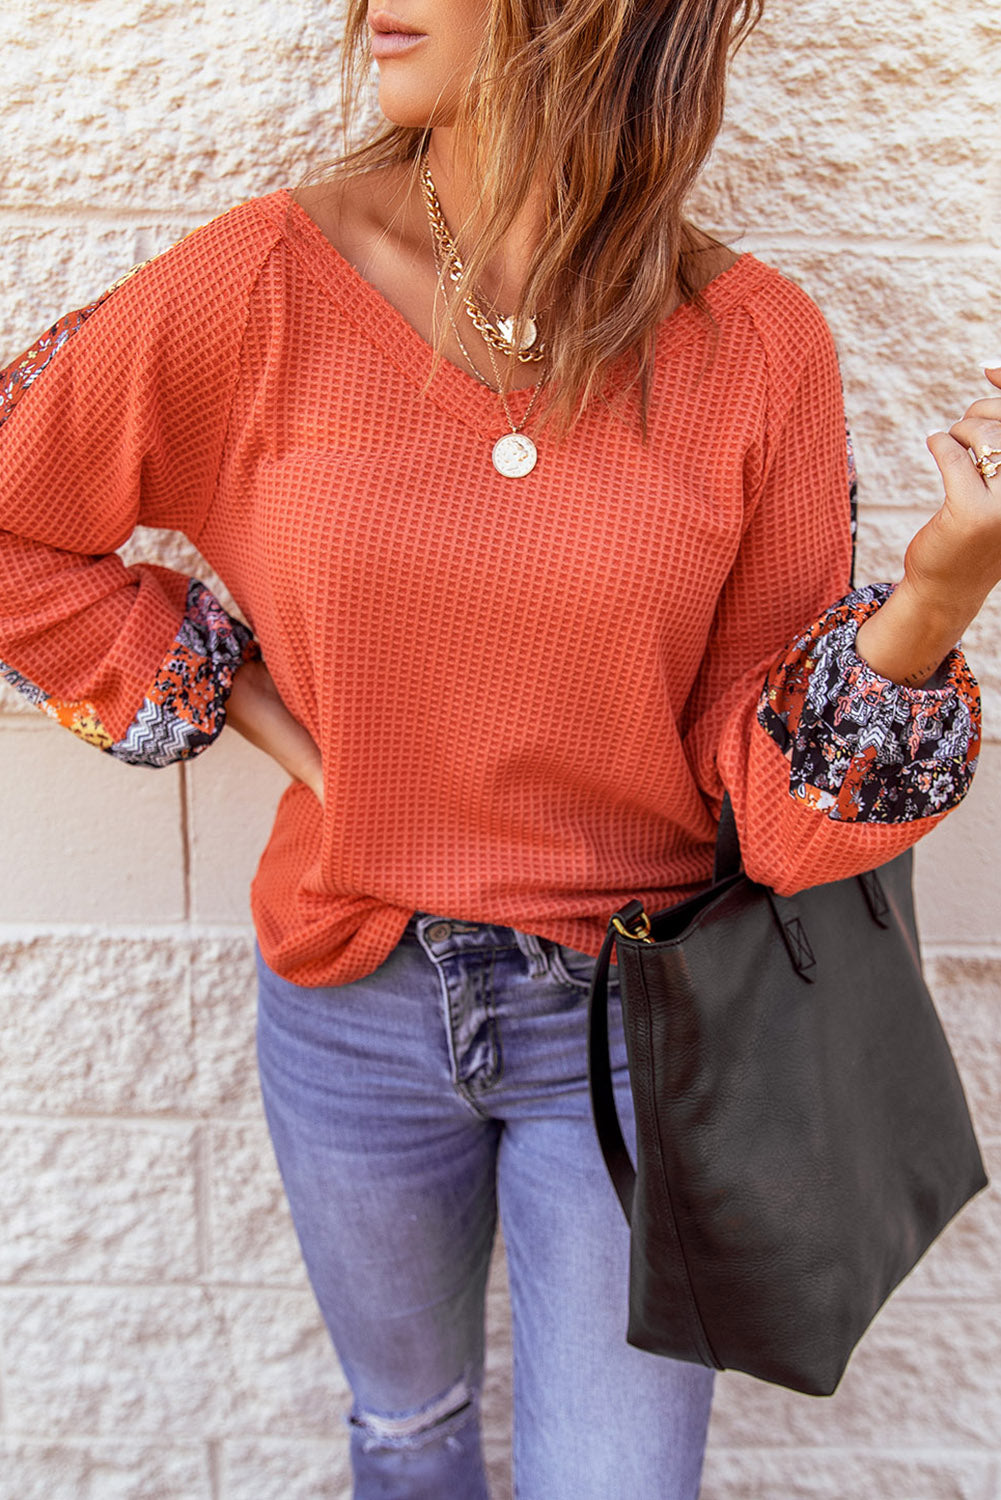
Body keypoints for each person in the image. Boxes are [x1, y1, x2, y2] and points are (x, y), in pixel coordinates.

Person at [1, 0, 999, 1494]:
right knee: (405, 1433)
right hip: (349, 996)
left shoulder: (753, 347)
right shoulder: (260, 281)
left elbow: (776, 816)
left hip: (630, 1020)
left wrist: (930, 600)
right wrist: (279, 727)